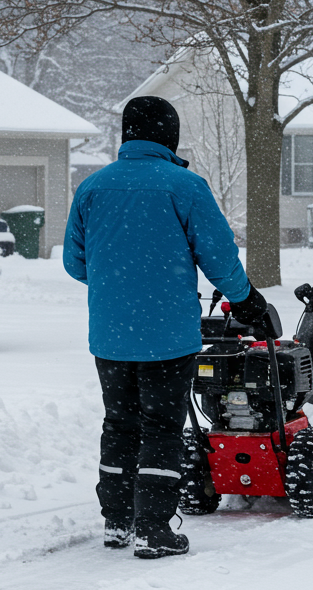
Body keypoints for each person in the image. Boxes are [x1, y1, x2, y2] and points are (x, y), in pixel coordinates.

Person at [63, 96, 271, 559]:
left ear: (128, 133)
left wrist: (119, 284)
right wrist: (246, 300)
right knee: (161, 426)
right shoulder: (185, 186)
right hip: (168, 336)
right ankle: (153, 529)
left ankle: (117, 522)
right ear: (169, 136)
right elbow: (218, 256)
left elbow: (75, 263)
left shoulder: (92, 187)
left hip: (111, 336)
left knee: (119, 424)